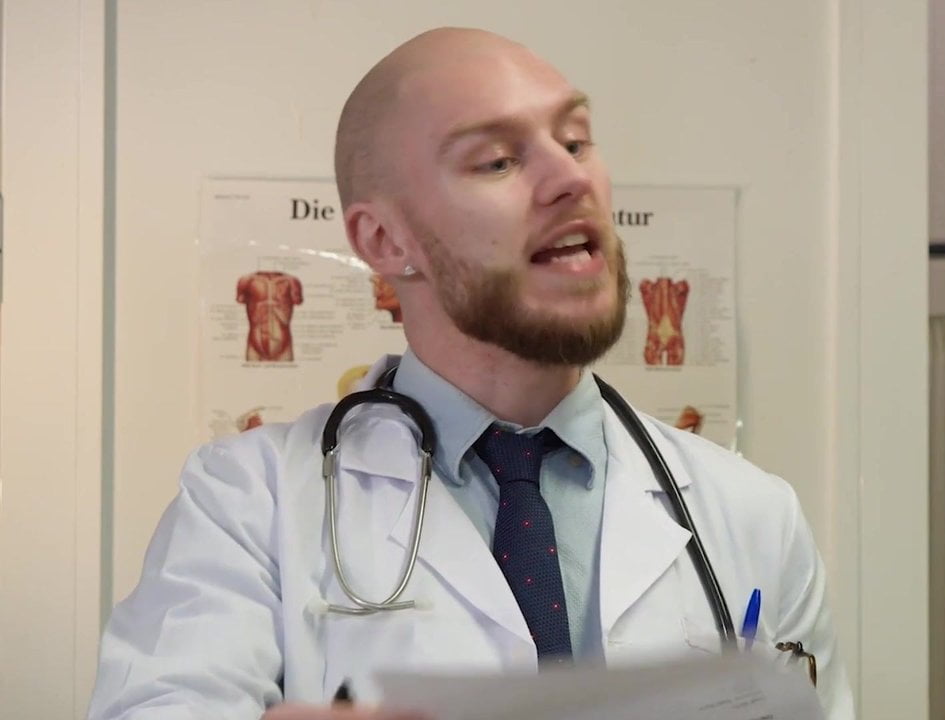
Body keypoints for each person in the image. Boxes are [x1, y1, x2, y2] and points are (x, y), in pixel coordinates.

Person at [86, 27, 854, 720]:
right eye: (498, 160)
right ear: (385, 241)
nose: (570, 178)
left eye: (576, 140)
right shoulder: (247, 504)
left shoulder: (752, 514)